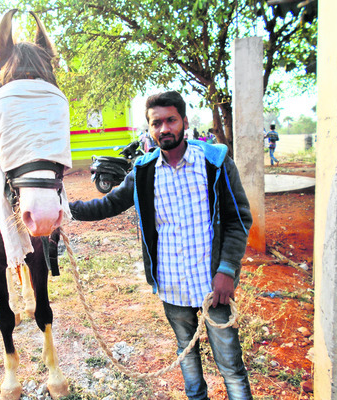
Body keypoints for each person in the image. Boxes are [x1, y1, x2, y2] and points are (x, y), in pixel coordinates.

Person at [70, 91, 253, 400]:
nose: (164, 129)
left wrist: (227, 269)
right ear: (149, 128)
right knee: (186, 354)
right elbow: (108, 205)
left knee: (231, 366)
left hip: (213, 285)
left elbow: (238, 219)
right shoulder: (143, 172)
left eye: (171, 120)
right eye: (157, 123)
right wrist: (66, 208)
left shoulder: (215, 162)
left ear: (184, 121)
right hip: (173, 285)